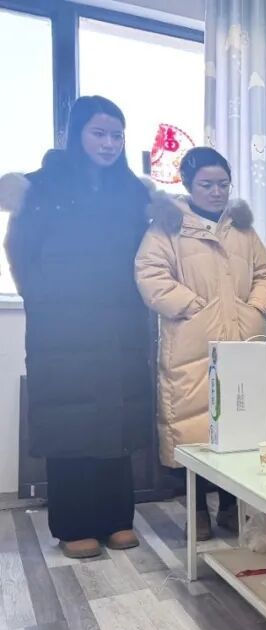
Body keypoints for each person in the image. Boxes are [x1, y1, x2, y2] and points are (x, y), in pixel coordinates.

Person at [2, 96, 155, 558]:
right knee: (71, 420)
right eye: (98, 133)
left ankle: (116, 519)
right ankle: (73, 525)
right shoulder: (42, 186)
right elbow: (18, 248)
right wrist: (44, 299)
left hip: (120, 322)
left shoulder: (131, 190)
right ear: (75, 135)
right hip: (62, 326)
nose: (109, 143)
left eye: (117, 135)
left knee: (117, 420)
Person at [135, 147, 266, 541]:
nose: (216, 192)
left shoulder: (242, 229)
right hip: (191, 344)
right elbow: (150, 275)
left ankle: (231, 508)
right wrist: (194, 307)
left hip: (243, 342)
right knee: (193, 429)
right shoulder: (168, 226)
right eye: (207, 184)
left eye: (223, 184)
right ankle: (197, 510)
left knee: (241, 426)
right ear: (188, 184)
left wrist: (255, 309)